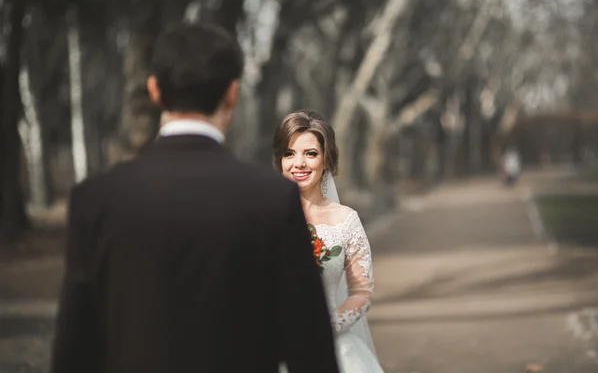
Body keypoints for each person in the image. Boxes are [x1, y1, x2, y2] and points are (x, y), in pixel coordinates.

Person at [50, 22, 340, 373]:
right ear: (232, 94)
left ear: (154, 90)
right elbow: (310, 348)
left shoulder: (94, 200)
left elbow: (74, 348)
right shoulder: (272, 199)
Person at [273, 110, 384, 373]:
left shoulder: (346, 220)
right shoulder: (263, 216)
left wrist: (323, 326)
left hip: (333, 350)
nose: (298, 163)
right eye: (289, 153)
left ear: (326, 158)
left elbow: (361, 292)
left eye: (310, 153)